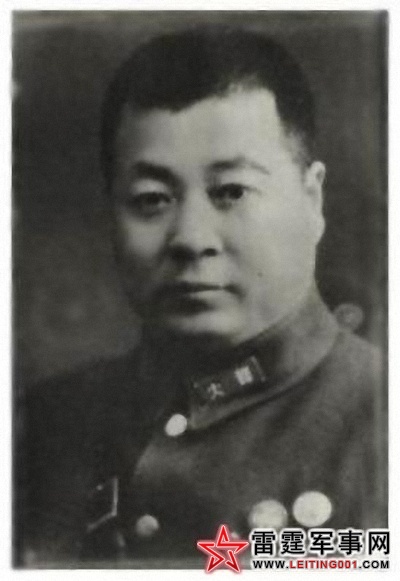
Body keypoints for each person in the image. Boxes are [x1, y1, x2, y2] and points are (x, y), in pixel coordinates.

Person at [15, 26, 387, 567]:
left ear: (312, 200)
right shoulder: (40, 427)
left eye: (232, 191)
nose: (191, 238)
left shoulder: (379, 423)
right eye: (151, 198)